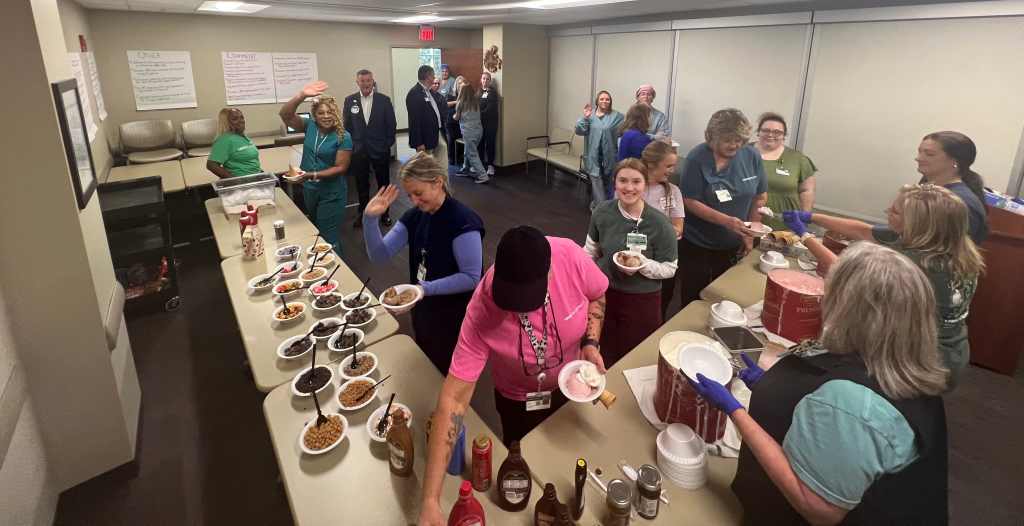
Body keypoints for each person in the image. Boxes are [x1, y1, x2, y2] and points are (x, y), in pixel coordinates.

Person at [689, 242, 949, 525]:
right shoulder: (905, 364)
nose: (822, 299)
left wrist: (734, 410)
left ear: (854, 312)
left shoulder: (853, 404)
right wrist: (769, 388)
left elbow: (816, 506)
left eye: (831, 291)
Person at [417, 226, 609, 526]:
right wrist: (430, 501)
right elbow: (453, 401)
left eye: (527, 299)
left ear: (550, 274)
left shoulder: (569, 257)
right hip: (516, 400)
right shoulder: (482, 307)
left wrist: (590, 342)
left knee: (566, 465)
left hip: (571, 389)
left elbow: (597, 296)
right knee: (523, 469)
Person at [784, 183, 984, 388]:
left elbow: (848, 272)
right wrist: (813, 217)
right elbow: (864, 231)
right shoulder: (952, 244)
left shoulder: (920, 264)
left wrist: (805, 236)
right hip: (955, 348)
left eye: (895, 212)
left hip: (925, 357)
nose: (887, 211)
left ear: (917, 225)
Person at [362, 152, 484, 374]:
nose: (415, 201)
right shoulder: (414, 217)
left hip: (454, 316)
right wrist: (370, 219)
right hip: (424, 308)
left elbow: (471, 278)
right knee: (428, 362)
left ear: (438, 183)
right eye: (410, 195)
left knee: (448, 370)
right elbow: (379, 255)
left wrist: (422, 289)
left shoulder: (463, 222)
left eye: (418, 193)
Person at [585, 159, 677, 367]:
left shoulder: (660, 224)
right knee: (603, 352)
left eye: (636, 181)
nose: (629, 187)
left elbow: (670, 268)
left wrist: (643, 265)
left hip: (642, 301)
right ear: (614, 183)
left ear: (645, 185)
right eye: (623, 181)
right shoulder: (602, 212)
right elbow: (590, 251)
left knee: (636, 356)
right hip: (604, 295)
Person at [678, 108, 767, 307]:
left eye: (738, 140)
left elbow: (759, 197)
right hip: (697, 243)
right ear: (711, 137)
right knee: (692, 296)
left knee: (725, 296)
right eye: (727, 140)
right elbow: (689, 200)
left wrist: (750, 233)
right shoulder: (697, 158)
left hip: (733, 243)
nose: (734, 145)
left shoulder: (751, 156)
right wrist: (726, 221)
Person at [279, 81, 353, 254]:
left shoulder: (344, 136)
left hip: (331, 192)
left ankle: (336, 273)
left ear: (336, 114)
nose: (326, 116)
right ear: (315, 115)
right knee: (316, 230)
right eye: (321, 113)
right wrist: (301, 95)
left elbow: (340, 168)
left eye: (330, 112)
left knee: (329, 236)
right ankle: (320, 269)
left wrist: (310, 174)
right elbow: (285, 114)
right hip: (310, 189)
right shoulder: (310, 126)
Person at [343, 69, 396, 228]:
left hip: (380, 149)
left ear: (373, 81)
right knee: (361, 184)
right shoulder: (349, 100)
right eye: (362, 81)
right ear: (357, 82)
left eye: (368, 80)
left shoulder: (384, 100)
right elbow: (347, 126)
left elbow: (391, 125)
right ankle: (363, 214)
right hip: (359, 150)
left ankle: (385, 213)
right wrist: (352, 145)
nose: (366, 83)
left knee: (383, 183)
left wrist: (387, 144)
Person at [915, 131, 989, 244]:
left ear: (955, 161)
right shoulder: (927, 186)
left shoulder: (961, 202)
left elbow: (945, 250)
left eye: (929, 154)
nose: (918, 158)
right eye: (919, 152)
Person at [641, 141, 685, 317]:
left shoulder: (673, 191)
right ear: (652, 164)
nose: (672, 170)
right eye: (668, 166)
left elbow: (678, 227)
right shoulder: (633, 188)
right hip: (635, 256)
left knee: (660, 304)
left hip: (662, 258)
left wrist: (666, 234)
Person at [753, 112, 817, 232]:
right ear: (758, 132)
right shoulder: (742, 153)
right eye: (766, 130)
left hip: (783, 227)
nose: (770, 134)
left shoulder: (798, 159)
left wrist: (804, 218)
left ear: (784, 135)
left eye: (777, 132)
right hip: (746, 223)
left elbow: (807, 190)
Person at [576, 91, 624, 208]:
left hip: (610, 156)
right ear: (597, 101)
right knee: (597, 183)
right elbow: (579, 131)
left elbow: (624, 131)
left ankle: (602, 205)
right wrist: (585, 118)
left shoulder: (617, 116)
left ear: (610, 101)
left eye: (607, 99)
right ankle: (601, 209)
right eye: (602, 99)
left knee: (609, 183)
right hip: (593, 156)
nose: (604, 101)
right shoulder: (590, 116)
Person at [406, 65, 447, 166]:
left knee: (442, 160)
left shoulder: (429, 91)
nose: (434, 78)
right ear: (428, 76)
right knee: (427, 167)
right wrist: (419, 142)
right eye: (433, 76)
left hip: (437, 133)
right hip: (425, 138)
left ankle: (442, 181)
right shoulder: (414, 93)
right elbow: (414, 120)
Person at [206, 107, 262, 178]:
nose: (241, 120)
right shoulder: (225, 140)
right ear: (227, 122)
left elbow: (250, 160)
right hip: (242, 183)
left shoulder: (242, 136)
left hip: (255, 178)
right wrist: (235, 180)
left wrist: (259, 171)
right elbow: (211, 165)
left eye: (242, 117)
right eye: (235, 119)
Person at [452, 82, 489, 184]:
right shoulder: (475, 102)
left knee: (471, 153)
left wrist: (452, 115)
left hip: (469, 132)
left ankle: (482, 175)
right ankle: (465, 169)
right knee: (468, 150)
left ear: (462, 92)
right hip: (478, 131)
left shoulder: (460, 103)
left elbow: (457, 117)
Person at [478, 72, 500, 176]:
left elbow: (490, 109)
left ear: (490, 81)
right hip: (480, 123)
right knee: (480, 143)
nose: (485, 81)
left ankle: (490, 166)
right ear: (481, 80)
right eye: (483, 78)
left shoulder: (493, 93)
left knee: (490, 144)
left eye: (487, 79)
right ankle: (480, 164)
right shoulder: (478, 92)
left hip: (490, 123)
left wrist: (478, 114)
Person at [444, 75, 465, 167]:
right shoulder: (451, 95)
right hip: (451, 121)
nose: (460, 85)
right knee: (452, 139)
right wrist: (457, 102)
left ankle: (460, 157)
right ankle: (451, 158)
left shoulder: (466, 95)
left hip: (462, 121)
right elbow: (446, 104)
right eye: (459, 83)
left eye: (462, 83)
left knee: (461, 139)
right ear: (456, 84)